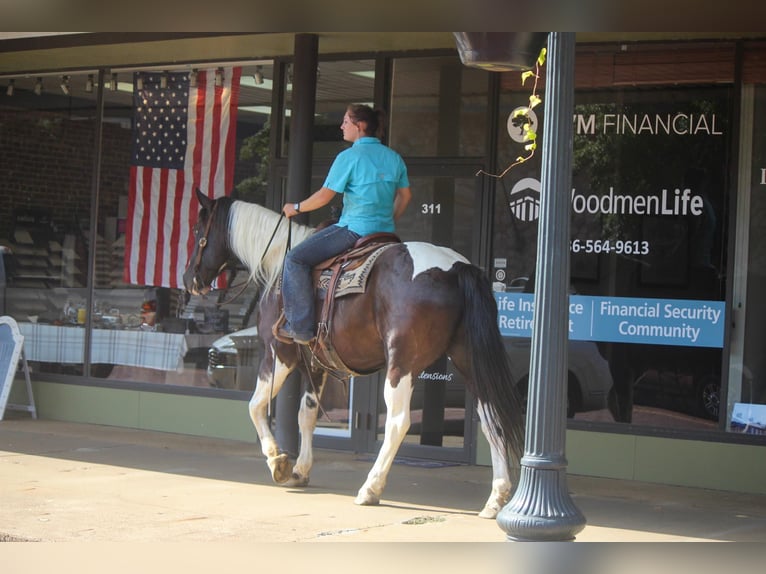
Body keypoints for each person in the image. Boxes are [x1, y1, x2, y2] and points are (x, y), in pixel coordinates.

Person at [277, 103, 412, 344]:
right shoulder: (394, 158)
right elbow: (405, 197)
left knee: (295, 259)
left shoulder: (348, 157)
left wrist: (295, 208)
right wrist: (389, 220)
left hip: (353, 230)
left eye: (346, 122)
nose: (341, 126)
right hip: (386, 234)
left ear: (359, 127)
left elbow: (324, 197)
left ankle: (300, 327)